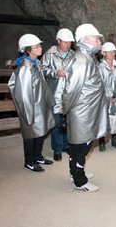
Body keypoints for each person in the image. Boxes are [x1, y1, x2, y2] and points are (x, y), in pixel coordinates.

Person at [62, 23, 107, 192]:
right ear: (85, 39)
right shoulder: (81, 60)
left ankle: (75, 172)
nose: (98, 41)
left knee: (78, 145)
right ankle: (79, 180)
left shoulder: (86, 57)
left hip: (87, 110)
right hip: (83, 112)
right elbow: (72, 89)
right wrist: (65, 109)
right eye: (95, 38)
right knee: (82, 146)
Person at [8, 34, 55, 173]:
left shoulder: (36, 63)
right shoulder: (25, 68)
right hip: (30, 107)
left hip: (40, 104)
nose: (40, 48)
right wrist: (27, 113)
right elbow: (23, 93)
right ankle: (29, 161)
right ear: (28, 50)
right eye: (36, 47)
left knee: (40, 132)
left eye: (40, 46)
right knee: (30, 134)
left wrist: (49, 102)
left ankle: (37, 156)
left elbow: (43, 85)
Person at [40, 28, 75, 162]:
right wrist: (55, 73)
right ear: (58, 40)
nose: (67, 45)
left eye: (69, 42)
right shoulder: (50, 54)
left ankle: (67, 145)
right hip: (54, 93)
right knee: (56, 122)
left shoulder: (73, 55)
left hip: (68, 93)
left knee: (68, 121)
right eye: (65, 42)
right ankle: (57, 149)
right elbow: (42, 69)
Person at [98, 42, 116, 151]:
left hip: (115, 97)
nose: (112, 54)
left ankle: (114, 138)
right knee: (103, 118)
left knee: (115, 117)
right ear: (104, 53)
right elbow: (99, 83)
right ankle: (102, 141)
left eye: (113, 52)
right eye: (109, 52)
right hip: (104, 98)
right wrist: (107, 97)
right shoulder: (99, 67)